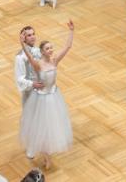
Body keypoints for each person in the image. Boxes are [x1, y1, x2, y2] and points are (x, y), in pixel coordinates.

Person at [18, 21, 75, 170]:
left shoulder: (55, 61)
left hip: (53, 97)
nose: (51, 50)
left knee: (52, 126)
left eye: (51, 47)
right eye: (48, 48)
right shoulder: (38, 65)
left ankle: (47, 154)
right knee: (41, 127)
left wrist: (71, 31)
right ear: (42, 51)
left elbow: (68, 47)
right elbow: (28, 55)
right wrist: (21, 42)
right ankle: (46, 157)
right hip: (41, 99)